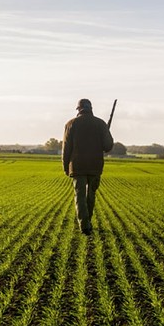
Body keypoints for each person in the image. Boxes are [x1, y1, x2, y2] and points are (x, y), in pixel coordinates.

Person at [62, 99, 114, 235]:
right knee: (90, 195)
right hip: (95, 165)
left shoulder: (71, 124)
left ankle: (84, 225)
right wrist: (105, 134)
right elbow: (108, 146)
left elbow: (66, 148)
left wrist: (66, 167)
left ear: (78, 110)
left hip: (77, 165)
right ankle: (88, 222)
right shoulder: (101, 124)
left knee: (79, 196)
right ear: (91, 108)